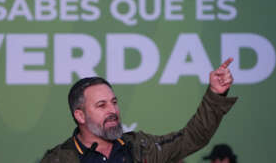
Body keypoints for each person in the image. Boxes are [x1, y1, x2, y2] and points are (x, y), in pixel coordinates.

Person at [41, 58, 237, 163]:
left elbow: (193, 137)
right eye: (101, 105)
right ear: (80, 115)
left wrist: (215, 94)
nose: (113, 110)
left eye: (114, 102)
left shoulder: (142, 147)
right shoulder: (57, 160)